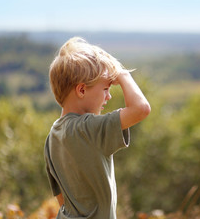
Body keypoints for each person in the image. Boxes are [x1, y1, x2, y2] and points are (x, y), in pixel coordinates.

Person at [44, 37, 151, 219]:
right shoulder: (88, 130)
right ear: (82, 90)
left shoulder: (52, 136)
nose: (108, 97)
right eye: (105, 89)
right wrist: (122, 74)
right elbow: (141, 109)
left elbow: (62, 199)